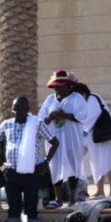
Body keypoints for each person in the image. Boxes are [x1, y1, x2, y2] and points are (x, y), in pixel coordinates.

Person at [38, 70, 87, 206]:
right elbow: (41, 120)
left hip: (72, 137)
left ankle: (71, 198)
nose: (58, 89)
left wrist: (63, 114)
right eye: (56, 86)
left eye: (61, 86)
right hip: (54, 138)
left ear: (68, 86)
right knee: (55, 166)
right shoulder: (49, 100)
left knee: (73, 165)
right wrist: (51, 116)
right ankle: (58, 199)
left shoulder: (77, 98)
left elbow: (82, 116)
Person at [75, 83, 111, 199]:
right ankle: (100, 191)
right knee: (97, 163)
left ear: (83, 94)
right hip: (97, 138)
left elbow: (88, 120)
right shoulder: (87, 101)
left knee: (109, 162)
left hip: (105, 136)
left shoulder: (92, 100)